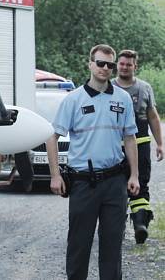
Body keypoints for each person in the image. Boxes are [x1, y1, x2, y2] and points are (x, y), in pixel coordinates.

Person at [47, 44, 140, 280]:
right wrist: (55, 175)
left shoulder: (123, 99)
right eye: (100, 63)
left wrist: (134, 175)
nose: (105, 69)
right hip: (82, 184)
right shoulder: (73, 100)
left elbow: (130, 138)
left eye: (110, 65)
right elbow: (52, 137)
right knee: (79, 244)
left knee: (112, 246)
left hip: (114, 182)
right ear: (90, 64)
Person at [113, 49, 163, 244]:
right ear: (117, 65)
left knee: (140, 184)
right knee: (113, 187)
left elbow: (152, 116)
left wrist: (160, 143)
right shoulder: (108, 87)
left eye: (129, 64)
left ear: (135, 66)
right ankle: (114, 227)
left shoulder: (144, 88)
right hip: (113, 147)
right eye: (122, 63)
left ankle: (140, 224)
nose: (125, 67)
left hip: (140, 145)